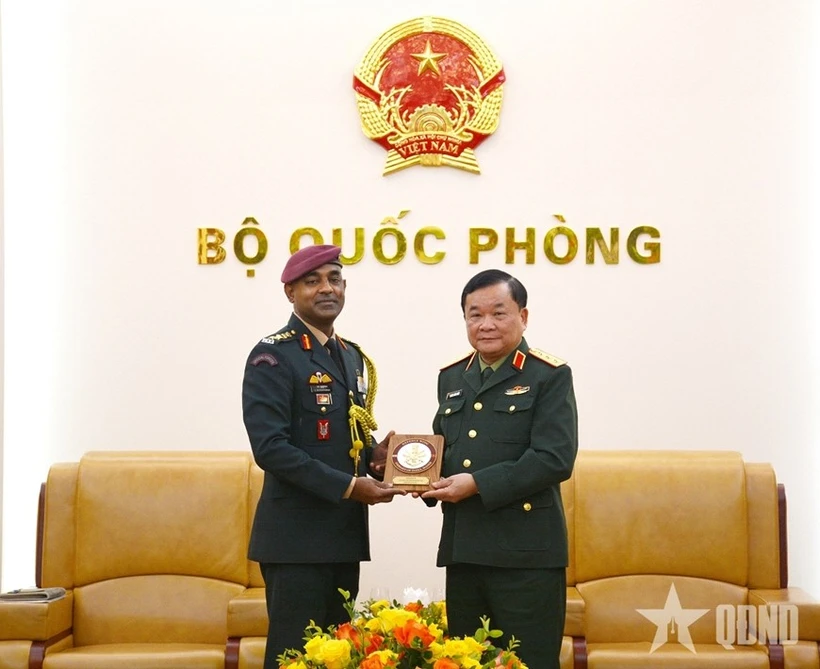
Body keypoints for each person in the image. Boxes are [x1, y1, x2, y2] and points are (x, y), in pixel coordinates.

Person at [242, 244, 404, 667]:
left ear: (345, 287)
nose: (325, 288)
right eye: (312, 281)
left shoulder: (348, 355)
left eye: (334, 279)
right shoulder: (273, 355)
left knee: (340, 655)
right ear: (290, 293)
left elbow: (337, 434)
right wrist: (351, 486)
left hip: (342, 536)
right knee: (295, 657)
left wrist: (374, 458)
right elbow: (271, 449)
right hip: (295, 541)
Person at [422, 269, 578, 669]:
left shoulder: (549, 375)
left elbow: (554, 457)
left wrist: (476, 484)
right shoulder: (452, 376)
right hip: (465, 552)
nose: (486, 324)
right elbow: (445, 448)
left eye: (499, 313)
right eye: (475, 315)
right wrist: (413, 473)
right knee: (465, 661)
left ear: (523, 317)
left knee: (529, 662)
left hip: (526, 555)